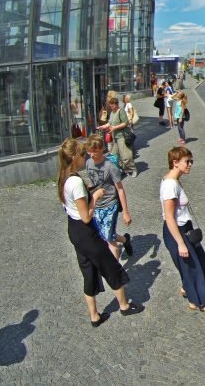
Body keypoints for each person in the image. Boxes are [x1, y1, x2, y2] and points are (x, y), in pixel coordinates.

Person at [58, 138, 143, 326]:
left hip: (74, 231)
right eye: (82, 154)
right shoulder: (75, 182)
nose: (85, 157)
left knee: (88, 272)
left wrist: (89, 191)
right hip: (85, 232)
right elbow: (86, 216)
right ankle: (124, 306)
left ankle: (94, 316)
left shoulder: (64, 177)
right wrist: (94, 196)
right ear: (74, 158)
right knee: (110, 266)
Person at [160, 147, 205, 312]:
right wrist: (180, 243)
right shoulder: (170, 185)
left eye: (191, 161)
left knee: (201, 262)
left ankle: (187, 289)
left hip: (185, 228)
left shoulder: (174, 180)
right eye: (187, 161)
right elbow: (169, 217)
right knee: (193, 268)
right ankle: (198, 302)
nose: (190, 164)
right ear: (175, 163)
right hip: (177, 231)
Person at [85, 134, 134, 260]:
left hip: (110, 205)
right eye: (89, 151)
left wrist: (126, 213)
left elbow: (120, 189)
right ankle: (124, 240)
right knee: (105, 234)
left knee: (109, 239)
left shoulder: (110, 167)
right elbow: (93, 182)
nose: (91, 154)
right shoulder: (88, 163)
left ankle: (115, 272)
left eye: (94, 151)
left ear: (102, 149)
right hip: (97, 205)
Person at [98, 97, 137, 177]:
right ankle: (123, 168)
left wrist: (115, 128)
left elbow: (125, 123)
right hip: (115, 137)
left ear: (116, 105)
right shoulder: (112, 112)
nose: (111, 107)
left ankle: (132, 169)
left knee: (125, 155)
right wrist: (103, 126)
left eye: (112, 106)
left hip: (122, 136)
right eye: (110, 106)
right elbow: (110, 123)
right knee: (114, 155)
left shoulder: (121, 111)